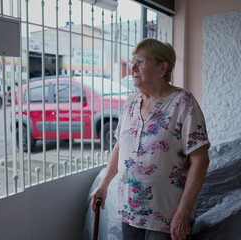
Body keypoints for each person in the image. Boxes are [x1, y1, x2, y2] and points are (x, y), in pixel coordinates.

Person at [90, 38, 210, 240]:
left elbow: (201, 159)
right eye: (132, 62)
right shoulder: (130, 103)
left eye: (141, 61)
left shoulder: (183, 103)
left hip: (167, 214)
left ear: (162, 68)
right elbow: (120, 147)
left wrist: (184, 211)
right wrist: (103, 185)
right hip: (130, 209)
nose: (132, 67)